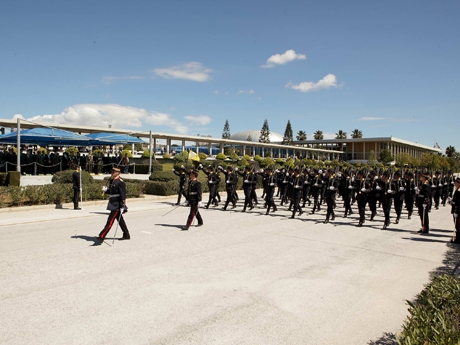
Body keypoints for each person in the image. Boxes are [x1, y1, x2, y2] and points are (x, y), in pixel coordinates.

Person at [95, 167, 130, 243]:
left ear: (118, 173)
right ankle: (126, 235)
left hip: (117, 205)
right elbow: (111, 192)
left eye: (114, 172)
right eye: (112, 171)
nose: (112, 173)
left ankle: (102, 236)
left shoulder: (120, 182)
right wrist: (106, 190)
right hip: (113, 203)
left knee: (110, 221)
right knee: (120, 221)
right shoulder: (112, 181)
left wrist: (123, 206)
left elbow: (123, 195)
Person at [450, 177, 460, 243]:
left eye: (456, 182)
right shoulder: (457, 189)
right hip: (455, 209)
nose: (455, 183)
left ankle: (458, 239)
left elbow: (458, 201)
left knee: (458, 225)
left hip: (458, 210)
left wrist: (452, 202)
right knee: (456, 225)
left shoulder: (459, 191)